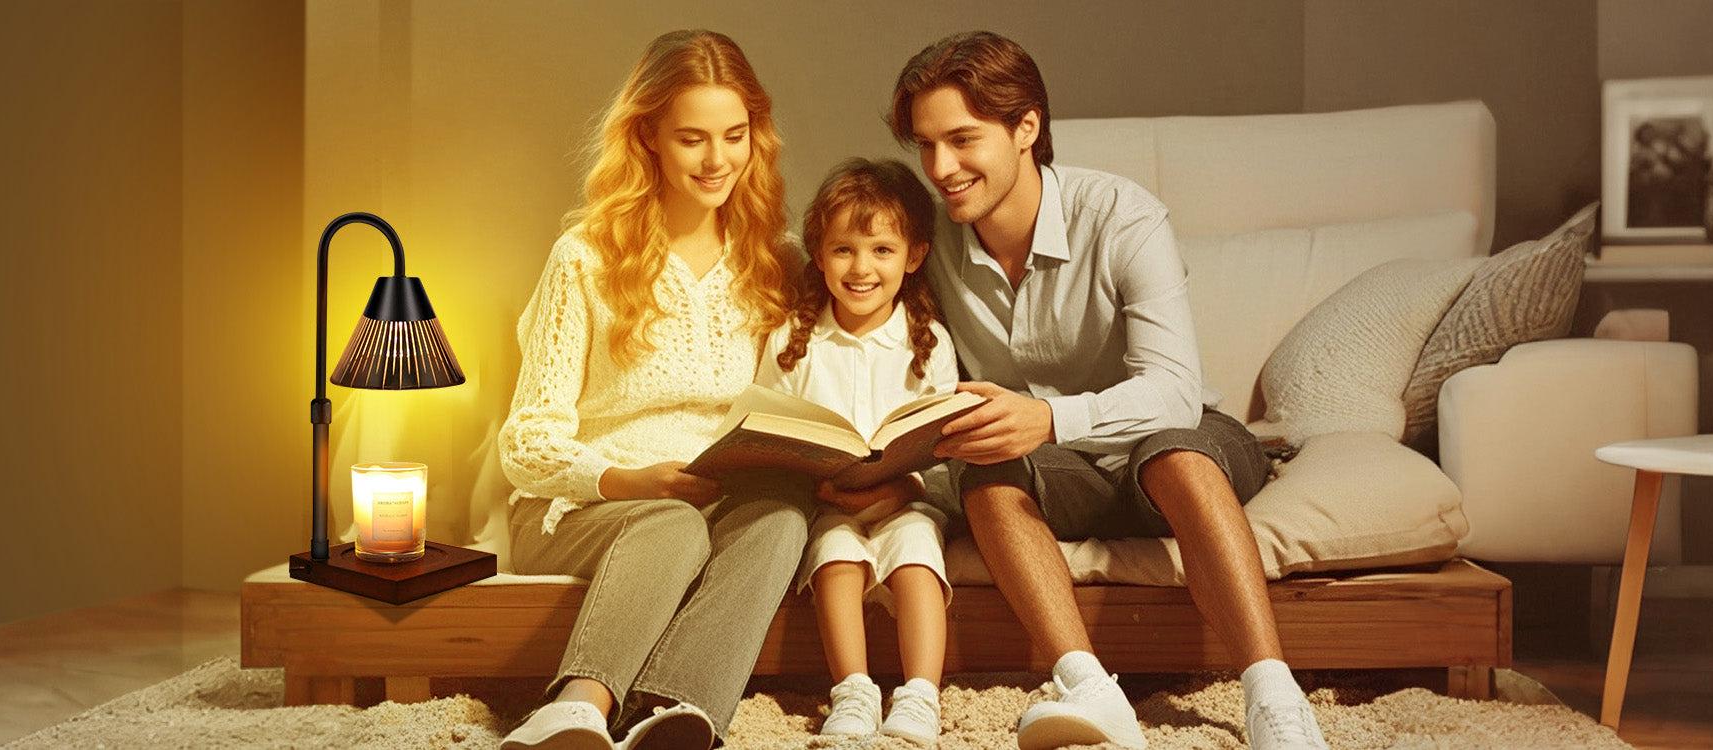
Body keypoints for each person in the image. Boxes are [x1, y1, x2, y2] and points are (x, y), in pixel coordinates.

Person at [888, 31, 1331, 750]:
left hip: (1175, 444)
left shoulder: (1123, 217)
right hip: (1058, 474)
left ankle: (1275, 698)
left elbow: (1175, 392)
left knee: (1175, 453)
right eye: (926, 145)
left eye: (963, 140)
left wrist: (1049, 417)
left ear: (1026, 127)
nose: (942, 167)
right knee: (984, 474)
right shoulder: (927, 238)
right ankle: (1088, 687)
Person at [497, 29, 806, 750]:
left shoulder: (772, 263)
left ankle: (675, 711)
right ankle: (577, 708)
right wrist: (632, 479)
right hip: (582, 507)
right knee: (669, 521)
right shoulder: (584, 258)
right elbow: (526, 444)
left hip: (714, 498)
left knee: (782, 519)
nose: (718, 159)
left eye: (735, 135)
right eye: (692, 138)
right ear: (649, 139)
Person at [755, 158, 954, 747]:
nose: (861, 268)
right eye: (843, 250)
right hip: (827, 503)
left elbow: (945, 446)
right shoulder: (793, 338)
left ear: (913, 256)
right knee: (837, 553)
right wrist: (808, 481)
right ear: (818, 254)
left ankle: (920, 695)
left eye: (881, 251)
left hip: (904, 502)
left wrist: (905, 487)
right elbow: (766, 432)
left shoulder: (930, 342)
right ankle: (854, 690)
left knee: (917, 551)